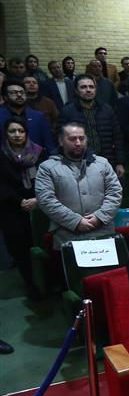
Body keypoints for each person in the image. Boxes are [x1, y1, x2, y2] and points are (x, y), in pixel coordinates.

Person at [35, 122, 122, 249]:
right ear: (61, 141)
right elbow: (46, 200)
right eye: (72, 139)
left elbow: (115, 192)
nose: (78, 143)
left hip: (103, 231)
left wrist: (99, 217)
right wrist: (75, 221)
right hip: (67, 234)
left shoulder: (102, 163)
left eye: (81, 138)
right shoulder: (47, 168)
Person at [0, 117, 44, 298]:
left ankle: (46, 281)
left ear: (26, 133)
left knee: (40, 245)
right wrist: (20, 201)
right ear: (6, 134)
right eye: (12, 131)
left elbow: (47, 178)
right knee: (20, 249)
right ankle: (31, 285)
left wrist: (37, 199)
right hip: (11, 208)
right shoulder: (2, 154)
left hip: (39, 205)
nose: (17, 135)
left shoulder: (38, 152)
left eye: (21, 131)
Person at [59, 74, 124, 174]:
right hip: (79, 163)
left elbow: (117, 136)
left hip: (107, 161)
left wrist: (120, 162)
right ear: (76, 91)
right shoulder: (67, 111)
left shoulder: (107, 110)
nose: (88, 90)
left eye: (91, 87)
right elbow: (61, 139)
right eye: (83, 87)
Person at [1, 79, 57, 155]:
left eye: (22, 92)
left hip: (36, 159)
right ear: (5, 97)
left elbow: (49, 144)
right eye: (14, 92)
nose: (19, 95)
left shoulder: (38, 116)